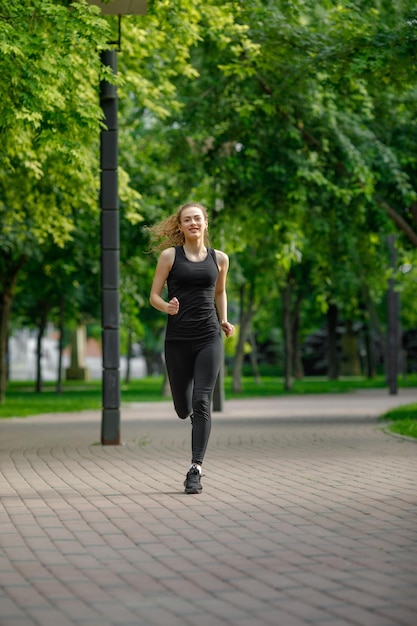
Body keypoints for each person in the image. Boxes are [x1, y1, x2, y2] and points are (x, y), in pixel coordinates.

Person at [149, 201, 235, 494]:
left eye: (198, 218)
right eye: (188, 220)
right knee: (183, 407)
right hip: (177, 340)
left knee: (202, 401)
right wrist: (167, 307)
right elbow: (153, 296)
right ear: (181, 225)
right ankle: (183, 408)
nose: (193, 223)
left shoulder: (220, 259)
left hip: (209, 336)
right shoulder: (169, 257)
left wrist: (223, 319)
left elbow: (220, 291)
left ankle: (195, 469)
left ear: (206, 223)